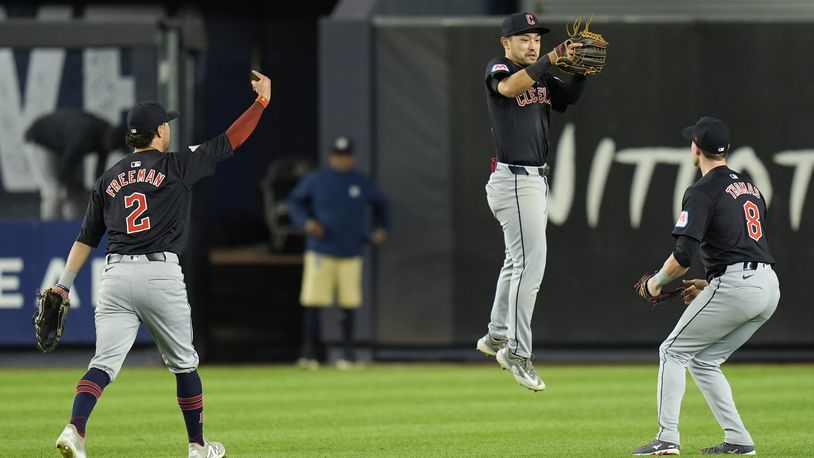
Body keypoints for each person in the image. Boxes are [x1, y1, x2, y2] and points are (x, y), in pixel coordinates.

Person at [49, 70, 271, 458]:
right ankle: (198, 447)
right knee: (184, 364)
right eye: (165, 123)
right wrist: (261, 103)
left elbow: (86, 238)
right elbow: (230, 140)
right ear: (158, 132)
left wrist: (63, 284)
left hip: (114, 275)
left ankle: (75, 430)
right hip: (160, 273)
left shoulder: (108, 177)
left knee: (102, 364)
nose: (168, 127)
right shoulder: (176, 164)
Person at [632, 117, 779, 456]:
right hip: (767, 285)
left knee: (672, 351)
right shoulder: (751, 188)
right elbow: (740, 243)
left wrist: (655, 283)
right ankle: (739, 440)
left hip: (738, 285)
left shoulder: (701, 190)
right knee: (704, 361)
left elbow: (683, 255)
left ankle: (667, 438)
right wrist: (714, 282)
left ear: (696, 149)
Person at [475, 11, 589, 391]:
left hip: (533, 181)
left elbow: (567, 98)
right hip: (514, 180)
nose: (532, 43)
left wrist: (582, 72)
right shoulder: (500, 67)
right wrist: (551, 59)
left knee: (516, 262)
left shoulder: (539, 75)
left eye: (536, 38)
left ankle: (495, 335)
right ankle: (518, 352)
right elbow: (508, 89)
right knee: (530, 267)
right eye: (523, 38)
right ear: (506, 42)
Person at [287, 136, 390, 370]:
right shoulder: (317, 180)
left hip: (351, 250)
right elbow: (294, 202)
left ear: (351, 158)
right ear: (332, 157)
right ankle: (309, 355)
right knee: (314, 302)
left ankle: (348, 355)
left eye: (346, 156)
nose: (342, 160)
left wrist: (382, 229)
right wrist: (307, 222)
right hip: (321, 250)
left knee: (348, 304)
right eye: (338, 156)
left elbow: (382, 204)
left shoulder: (360, 182)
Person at [24, 108, 127, 220]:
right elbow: (65, 170)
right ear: (109, 139)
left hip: (60, 146)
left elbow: (99, 174)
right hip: (39, 140)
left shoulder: (107, 135)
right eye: (112, 146)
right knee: (54, 191)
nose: (110, 149)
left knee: (77, 196)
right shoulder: (84, 133)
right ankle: (48, 232)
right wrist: (79, 187)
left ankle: (74, 231)